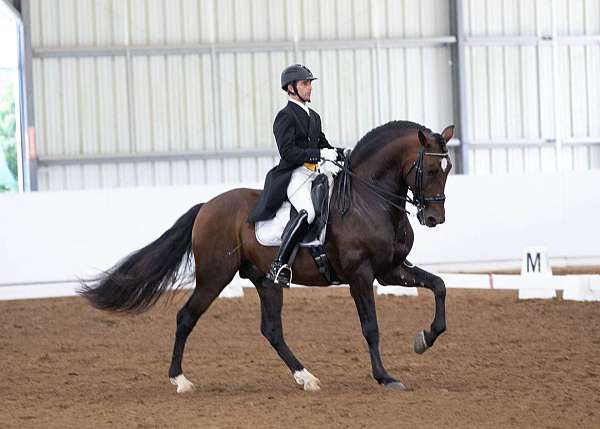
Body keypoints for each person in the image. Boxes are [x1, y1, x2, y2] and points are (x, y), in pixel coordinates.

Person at [247, 64, 341, 287]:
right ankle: (280, 264)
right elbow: (288, 153)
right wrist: (320, 153)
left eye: (310, 84)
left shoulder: (314, 117)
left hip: (314, 173)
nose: (309, 88)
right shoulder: (285, 116)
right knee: (307, 212)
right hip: (293, 174)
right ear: (291, 88)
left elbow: (323, 144)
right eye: (304, 84)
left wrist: (340, 153)